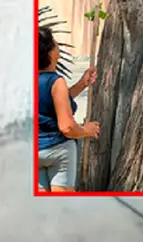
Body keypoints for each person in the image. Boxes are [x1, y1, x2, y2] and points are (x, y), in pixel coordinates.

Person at [37, 26, 100, 192]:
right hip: (59, 152)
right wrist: (87, 130)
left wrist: (82, 84)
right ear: (50, 54)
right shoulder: (56, 82)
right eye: (55, 44)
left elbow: (55, 102)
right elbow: (67, 127)